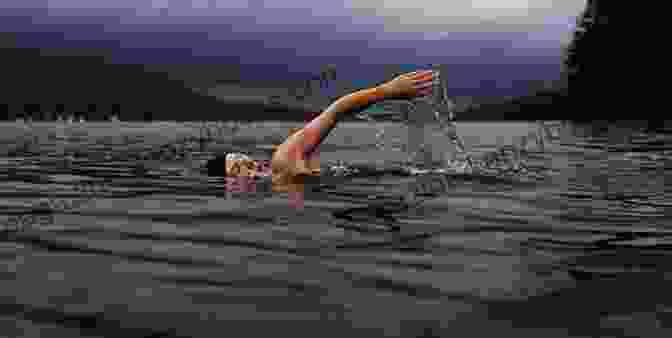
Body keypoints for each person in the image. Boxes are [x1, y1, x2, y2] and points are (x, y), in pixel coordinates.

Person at [209, 70, 437, 192]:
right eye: (240, 168)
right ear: (232, 184)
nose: (252, 164)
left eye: (246, 159)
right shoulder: (278, 185)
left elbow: (335, 111)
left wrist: (387, 90)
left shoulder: (284, 160)